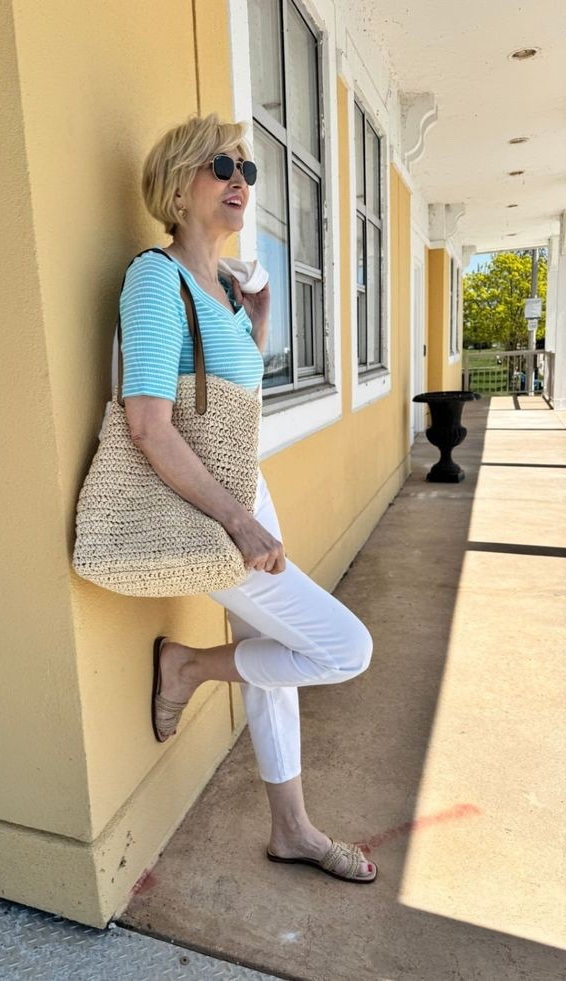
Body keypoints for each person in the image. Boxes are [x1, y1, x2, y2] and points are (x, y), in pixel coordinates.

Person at [119, 112, 377, 884]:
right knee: (341, 648)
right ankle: (189, 666)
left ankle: (291, 828)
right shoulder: (155, 280)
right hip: (214, 507)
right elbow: (149, 424)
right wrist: (236, 522)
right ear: (177, 185)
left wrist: (255, 324)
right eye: (222, 168)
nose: (241, 182)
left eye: (247, 171)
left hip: (244, 491)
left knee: (279, 667)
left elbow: (224, 400)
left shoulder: (221, 289)